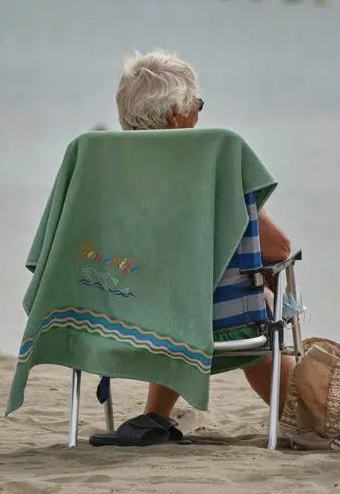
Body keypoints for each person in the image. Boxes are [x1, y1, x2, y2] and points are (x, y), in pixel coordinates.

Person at [114, 51, 294, 421]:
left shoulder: (106, 169)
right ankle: (296, 415)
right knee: (254, 299)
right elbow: (277, 247)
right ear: (175, 116)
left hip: (121, 317)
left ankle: (156, 417)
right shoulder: (209, 166)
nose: (199, 111)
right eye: (197, 104)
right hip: (213, 321)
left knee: (183, 295)